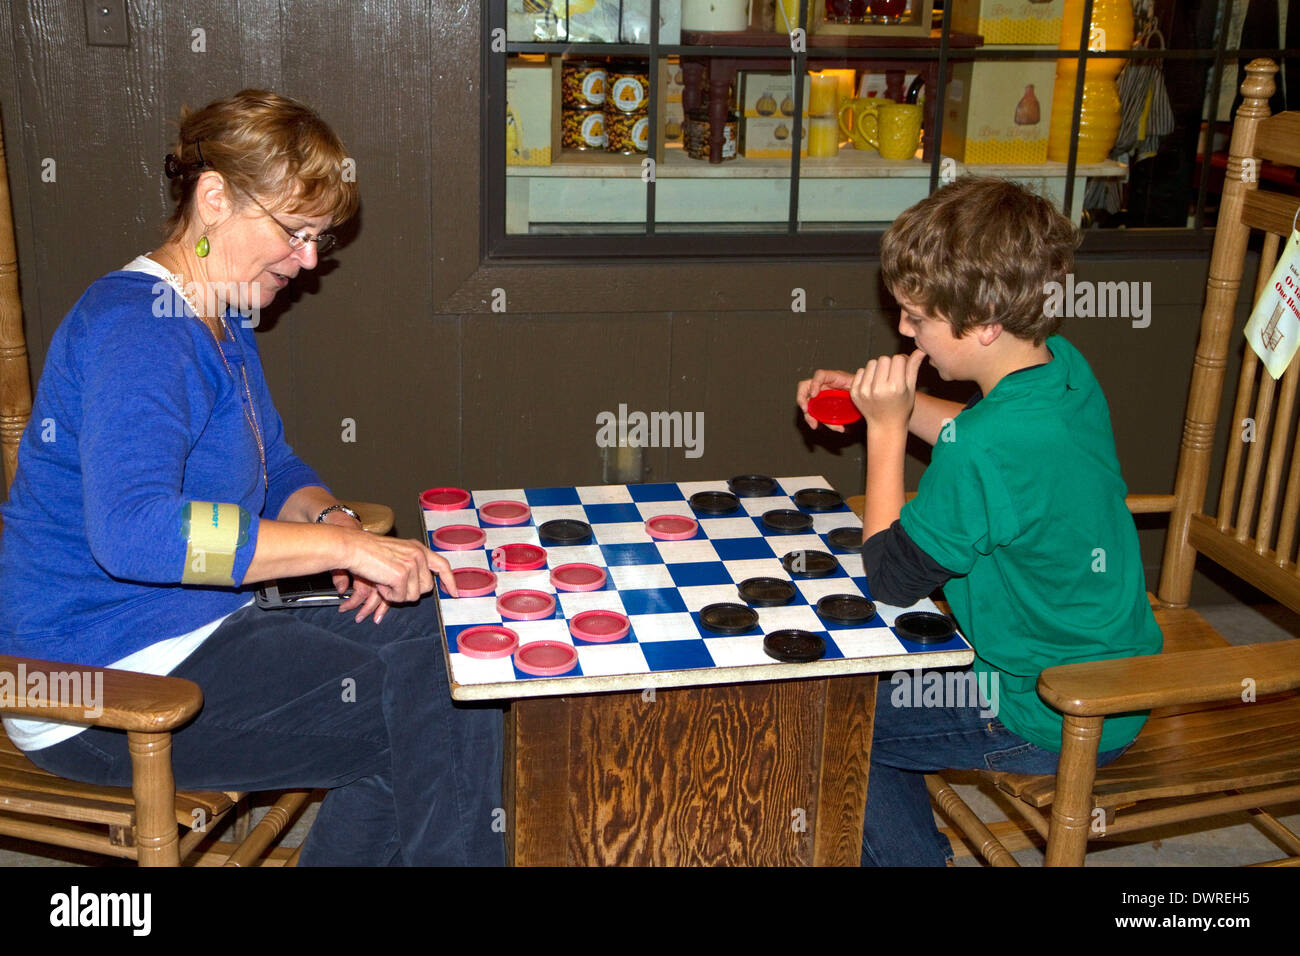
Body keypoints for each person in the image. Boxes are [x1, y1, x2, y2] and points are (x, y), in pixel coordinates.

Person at [0, 89, 504, 866]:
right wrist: (356, 556)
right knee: (440, 708)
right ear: (213, 199)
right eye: (295, 231)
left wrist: (331, 522)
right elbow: (134, 535)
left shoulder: (219, 318)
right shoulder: (140, 331)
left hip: (196, 628)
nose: (307, 261)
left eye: (319, 239)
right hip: (97, 686)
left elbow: (278, 469)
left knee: (451, 650)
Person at [795, 176, 1162, 866]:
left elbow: (889, 575)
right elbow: (982, 437)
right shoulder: (1064, 373)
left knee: (829, 721)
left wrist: (886, 433)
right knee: (868, 700)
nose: (904, 330)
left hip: (1045, 708)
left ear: (986, 322)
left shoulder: (991, 452)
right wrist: (878, 396)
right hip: (1117, 676)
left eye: (917, 317)